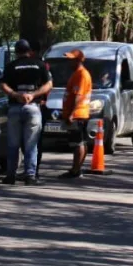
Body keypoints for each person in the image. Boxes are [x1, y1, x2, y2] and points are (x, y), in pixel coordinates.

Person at [0, 39, 52, 186]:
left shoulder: (11, 66)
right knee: (31, 144)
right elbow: (49, 84)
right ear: (29, 51)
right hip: (33, 107)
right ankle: (30, 176)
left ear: (16, 52)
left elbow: (2, 84)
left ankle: (10, 175)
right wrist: (34, 95)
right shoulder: (40, 65)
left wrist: (15, 94)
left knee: (13, 144)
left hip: (15, 108)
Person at [59, 49, 92, 180]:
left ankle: (76, 170)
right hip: (77, 113)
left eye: (71, 59)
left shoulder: (82, 75)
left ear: (78, 60)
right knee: (78, 142)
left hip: (78, 114)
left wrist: (72, 114)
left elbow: (79, 96)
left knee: (78, 143)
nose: (68, 61)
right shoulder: (77, 74)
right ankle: (76, 169)